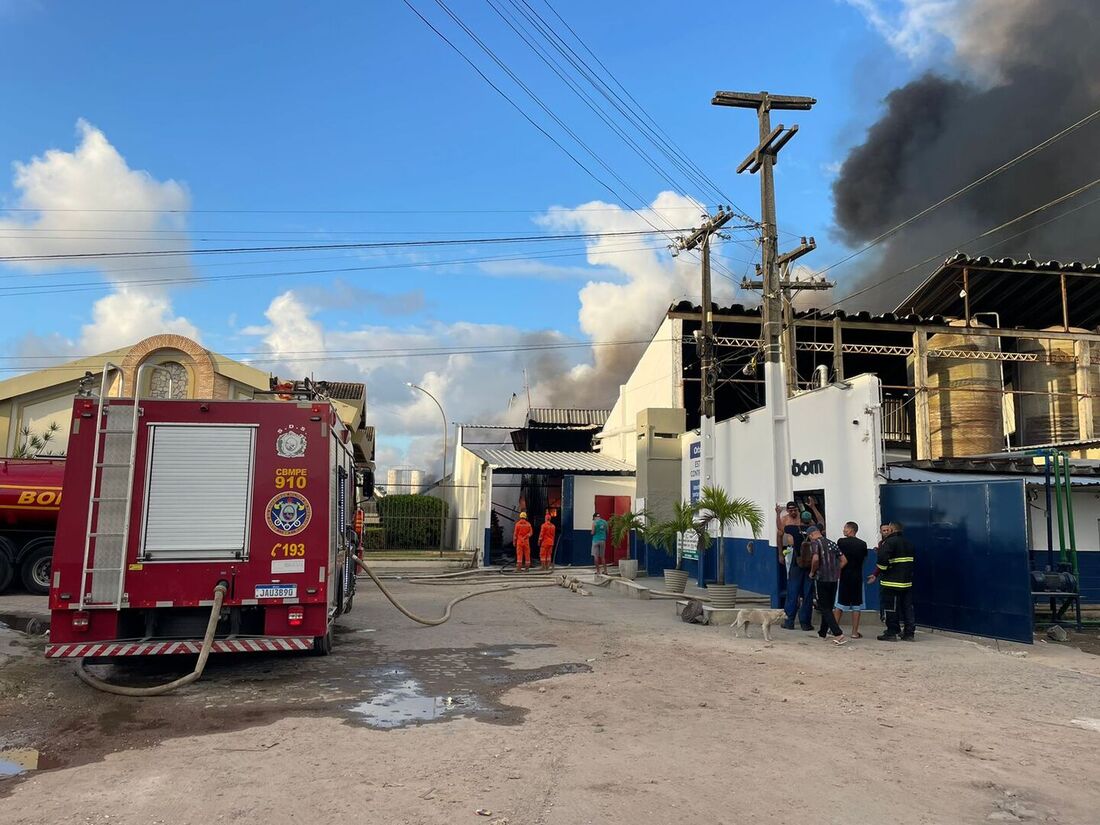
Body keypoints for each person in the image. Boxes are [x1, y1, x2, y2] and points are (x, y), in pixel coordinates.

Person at [868, 521, 916, 641]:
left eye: (888, 529)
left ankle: (891, 632)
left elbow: (882, 558)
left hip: (891, 582)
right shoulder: (909, 543)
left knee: (891, 608)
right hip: (907, 582)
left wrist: (881, 571)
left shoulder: (889, 542)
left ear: (892, 529)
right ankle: (909, 633)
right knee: (907, 607)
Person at [808, 524, 848, 645]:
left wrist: (812, 572)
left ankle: (838, 634)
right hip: (833, 580)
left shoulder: (815, 543)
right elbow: (844, 560)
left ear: (812, 534)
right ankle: (822, 632)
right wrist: (835, 571)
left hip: (822, 579)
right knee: (829, 607)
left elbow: (815, 559)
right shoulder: (832, 543)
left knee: (824, 607)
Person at [834, 521, 869, 638]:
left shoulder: (841, 542)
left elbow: (838, 557)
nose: (843, 530)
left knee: (839, 604)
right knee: (856, 605)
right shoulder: (863, 544)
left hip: (844, 576)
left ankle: (833, 629)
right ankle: (854, 632)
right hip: (857, 576)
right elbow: (863, 560)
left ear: (851, 530)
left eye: (845, 528)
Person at [782, 525, 815, 632]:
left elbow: (784, 528)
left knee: (792, 593)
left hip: (797, 565)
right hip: (809, 567)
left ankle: (789, 621)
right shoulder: (814, 530)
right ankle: (805, 623)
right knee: (808, 594)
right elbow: (821, 522)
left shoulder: (795, 530)